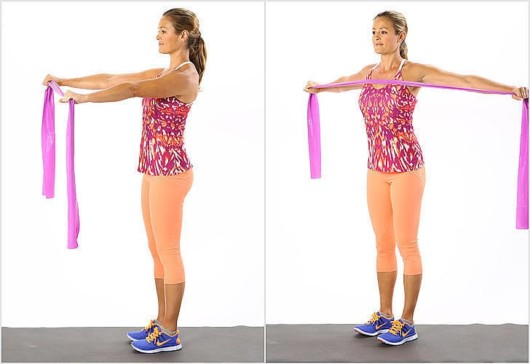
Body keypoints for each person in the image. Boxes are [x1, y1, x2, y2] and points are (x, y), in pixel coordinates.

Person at [304, 10, 528, 346]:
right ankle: (384, 314)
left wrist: (511, 89)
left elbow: (464, 80)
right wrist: (318, 88)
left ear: (401, 35)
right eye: (373, 32)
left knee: (407, 244)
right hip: (376, 168)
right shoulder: (368, 73)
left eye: (383, 31)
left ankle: (407, 322)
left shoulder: (414, 72)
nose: (377, 37)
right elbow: (340, 84)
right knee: (382, 243)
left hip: (407, 168)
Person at [42, 8, 206, 354]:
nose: (157, 36)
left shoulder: (184, 76)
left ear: (184, 36)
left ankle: (171, 332)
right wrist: (68, 79)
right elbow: (110, 78)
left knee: (169, 251)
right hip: (153, 171)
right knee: (156, 251)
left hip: (171, 174)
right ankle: (161, 324)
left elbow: (131, 89)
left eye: (163, 30)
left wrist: (82, 100)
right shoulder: (165, 71)